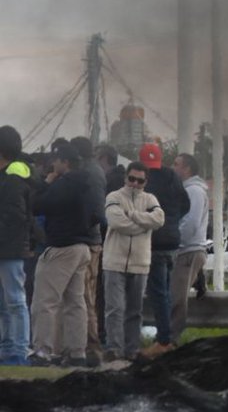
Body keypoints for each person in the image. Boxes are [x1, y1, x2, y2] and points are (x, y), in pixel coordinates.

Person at [29, 142, 99, 366]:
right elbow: (97, 214)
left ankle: (42, 351)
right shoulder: (88, 183)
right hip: (82, 247)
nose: (53, 164)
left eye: (56, 161)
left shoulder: (64, 184)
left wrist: (45, 183)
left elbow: (37, 206)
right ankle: (77, 352)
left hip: (61, 247)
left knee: (45, 301)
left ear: (65, 163)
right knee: (75, 301)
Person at [101, 161, 164, 361]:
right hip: (114, 261)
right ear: (125, 178)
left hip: (140, 263)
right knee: (115, 308)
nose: (134, 184)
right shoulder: (114, 197)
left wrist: (134, 215)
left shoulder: (150, 198)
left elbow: (159, 219)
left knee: (135, 310)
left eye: (140, 180)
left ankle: (132, 349)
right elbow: (116, 222)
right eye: (131, 179)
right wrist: (144, 224)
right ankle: (114, 348)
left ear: (146, 181)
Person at [139, 142, 190, 358]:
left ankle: (163, 341)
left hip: (155, 242)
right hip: (172, 242)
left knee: (158, 293)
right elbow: (185, 204)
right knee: (166, 292)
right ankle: (166, 335)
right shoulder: (173, 177)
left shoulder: (144, 180)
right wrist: (173, 221)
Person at [70, 136, 107, 367]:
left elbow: (95, 210)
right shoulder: (95, 171)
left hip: (89, 242)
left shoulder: (89, 174)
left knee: (85, 297)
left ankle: (91, 347)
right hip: (92, 240)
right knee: (85, 296)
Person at [0, 126, 34, 365]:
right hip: (8, 247)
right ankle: (7, 347)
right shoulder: (12, 175)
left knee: (14, 300)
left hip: (10, 249)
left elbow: (14, 217)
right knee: (5, 302)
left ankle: (19, 351)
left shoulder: (12, 178)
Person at [168, 153, 209, 346]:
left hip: (187, 250)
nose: (172, 167)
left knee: (177, 297)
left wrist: (175, 240)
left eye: (176, 164)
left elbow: (191, 222)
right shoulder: (189, 189)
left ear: (187, 169)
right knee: (174, 294)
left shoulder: (193, 191)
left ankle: (171, 340)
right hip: (189, 250)